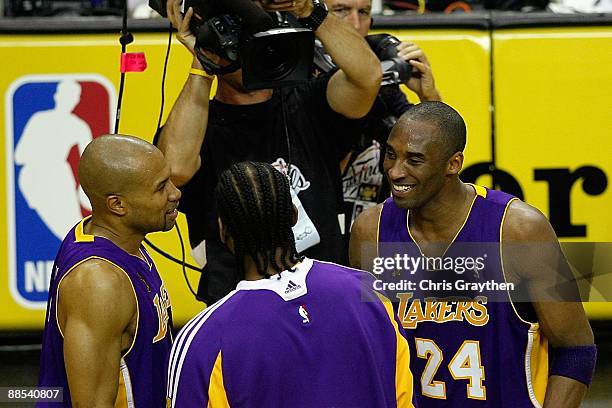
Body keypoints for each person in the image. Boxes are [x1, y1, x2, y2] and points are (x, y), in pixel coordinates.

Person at [350, 102, 596, 407]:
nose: (395, 170)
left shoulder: (519, 230)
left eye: (414, 160)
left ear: (453, 164)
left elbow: (576, 350)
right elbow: (368, 350)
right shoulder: (369, 231)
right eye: (391, 154)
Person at [157, 0, 382, 303]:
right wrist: (204, 61)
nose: (258, 51)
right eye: (243, 43)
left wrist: (309, 11)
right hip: (239, 305)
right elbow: (175, 169)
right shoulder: (198, 125)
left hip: (324, 296)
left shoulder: (310, 102)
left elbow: (367, 76)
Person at [166, 161, 414, 407]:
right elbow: (404, 399)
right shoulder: (369, 292)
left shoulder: (206, 339)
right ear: (294, 216)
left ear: (223, 231)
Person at [37, 135, 179, 407]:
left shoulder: (113, 236)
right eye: (161, 188)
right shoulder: (99, 282)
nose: (175, 193)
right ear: (117, 205)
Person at [318, 0, 442, 231]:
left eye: (363, 12)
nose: (354, 24)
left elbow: (434, 157)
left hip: (373, 242)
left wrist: (428, 96)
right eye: (341, 10)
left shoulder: (384, 88)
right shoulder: (294, 83)